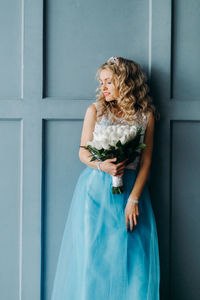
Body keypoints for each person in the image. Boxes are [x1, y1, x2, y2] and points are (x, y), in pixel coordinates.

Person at [50, 56, 160, 300]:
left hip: (131, 192)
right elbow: (82, 152)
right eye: (102, 83)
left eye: (109, 82)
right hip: (95, 192)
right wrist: (103, 166)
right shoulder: (96, 111)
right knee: (94, 258)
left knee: (134, 260)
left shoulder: (146, 116)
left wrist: (133, 200)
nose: (104, 88)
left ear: (126, 83)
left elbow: (147, 161)